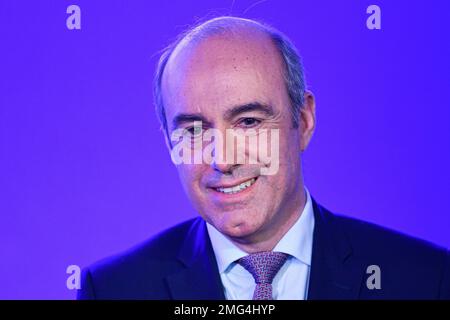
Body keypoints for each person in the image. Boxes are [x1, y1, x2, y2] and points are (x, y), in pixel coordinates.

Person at [77, 16, 450, 300]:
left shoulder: (423, 279)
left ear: (303, 121)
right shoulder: (113, 290)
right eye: (193, 130)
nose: (222, 159)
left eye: (249, 121)